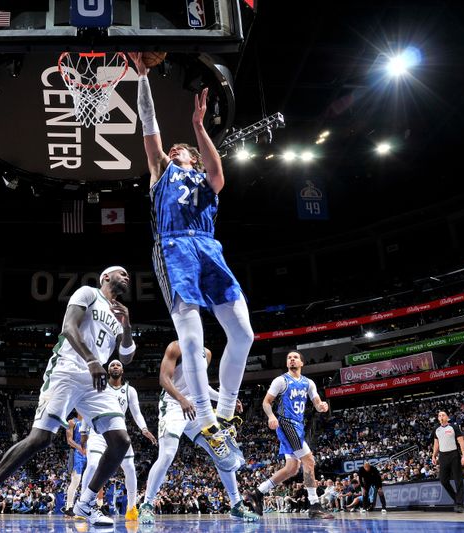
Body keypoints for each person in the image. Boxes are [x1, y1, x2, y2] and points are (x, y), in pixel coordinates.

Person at [129, 54, 254, 458]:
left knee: (244, 334)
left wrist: (199, 126)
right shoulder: (162, 170)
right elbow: (149, 129)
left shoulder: (203, 177)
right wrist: (143, 78)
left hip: (207, 245)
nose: (176, 148)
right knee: (193, 338)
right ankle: (203, 416)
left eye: (183, 148)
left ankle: (224, 411)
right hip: (174, 245)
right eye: (177, 146)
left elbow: (218, 176)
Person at [0, 266, 137, 527]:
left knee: (120, 441)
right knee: (40, 438)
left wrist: (128, 324)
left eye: (128, 275)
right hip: (69, 369)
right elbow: (68, 326)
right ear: (105, 277)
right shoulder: (88, 293)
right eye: (121, 273)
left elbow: (126, 357)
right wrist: (90, 360)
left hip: (95, 381)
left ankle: (86, 504)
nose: (127, 276)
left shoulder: (119, 314)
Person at [138, 341, 256, 524]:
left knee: (219, 450)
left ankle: (236, 505)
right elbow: (164, 379)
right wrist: (181, 399)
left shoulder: (206, 353)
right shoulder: (175, 347)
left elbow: (201, 387)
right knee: (168, 454)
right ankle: (147, 505)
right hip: (173, 406)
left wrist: (225, 399)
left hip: (196, 408)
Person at [249, 351, 333, 519]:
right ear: (287, 363)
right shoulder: (281, 380)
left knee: (291, 469)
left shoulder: (308, 383)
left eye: (295, 357)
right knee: (309, 460)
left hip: (298, 426)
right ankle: (314, 504)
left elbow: (316, 404)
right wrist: (271, 416)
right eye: (289, 358)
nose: (292, 359)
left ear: (301, 362)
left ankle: (257, 493)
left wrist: (322, 406)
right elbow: (266, 402)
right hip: (286, 424)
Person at [78, 359, 157, 521]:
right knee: (92, 465)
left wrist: (144, 429)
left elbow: (137, 413)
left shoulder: (130, 390)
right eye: (112, 365)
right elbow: (89, 407)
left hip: (118, 433)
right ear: (108, 370)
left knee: (129, 468)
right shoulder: (99, 386)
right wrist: (83, 430)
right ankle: (83, 504)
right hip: (98, 432)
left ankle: (131, 507)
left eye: (118, 365)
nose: (115, 366)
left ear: (122, 370)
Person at [432, 410, 464, 513]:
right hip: (442, 456)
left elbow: (461, 442)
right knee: (443, 480)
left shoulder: (453, 427)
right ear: (438, 418)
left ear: (447, 417)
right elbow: (436, 444)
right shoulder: (436, 429)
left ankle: (460, 504)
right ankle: (456, 499)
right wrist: (433, 456)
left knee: (458, 480)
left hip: (454, 454)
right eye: (439, 415)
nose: (441, 416)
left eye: (443, 415)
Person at [61, 411, 86, 516]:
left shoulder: (88, 422)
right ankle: (69, 507)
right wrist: (80, 448)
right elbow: (69, 440)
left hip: (88, 452)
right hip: (77, 453)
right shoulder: (71, 422)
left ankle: (86, 506)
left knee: (89, 481)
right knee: (76, 481)